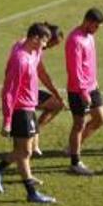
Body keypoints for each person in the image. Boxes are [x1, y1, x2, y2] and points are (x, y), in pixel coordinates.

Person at [0, 23, 57, 204]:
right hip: (21, 110)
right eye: (44, 41)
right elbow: (9, 91)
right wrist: (7, 120)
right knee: (24, 152)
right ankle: (31, 192)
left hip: (30, 106)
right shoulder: (20, 60)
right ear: (34, 39)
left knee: (25, 149)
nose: (45, 45)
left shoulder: (32, 50)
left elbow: (34, 51)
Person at [65, 8, 103, 176]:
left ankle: (72, 147)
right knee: (79, 125)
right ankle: (75, 162)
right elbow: (74, 69)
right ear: (87, 22)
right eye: (95, 26)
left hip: (92, 86)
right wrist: (83, 91)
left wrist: (93, 83)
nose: (97, 30)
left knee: (100, 119)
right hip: (78, 90)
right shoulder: (75, 40)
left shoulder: (90, 36)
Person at [30, 24, 68, 156]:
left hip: (30, 89)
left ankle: (34, 136)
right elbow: (43, 74)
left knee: (56, 105)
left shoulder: (36, 48)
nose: (52, 47)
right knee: (56, 104)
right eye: (53, 43)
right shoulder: (33, 49)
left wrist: (56, 94)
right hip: (25, 91)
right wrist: (57, 94)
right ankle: (32, 139)